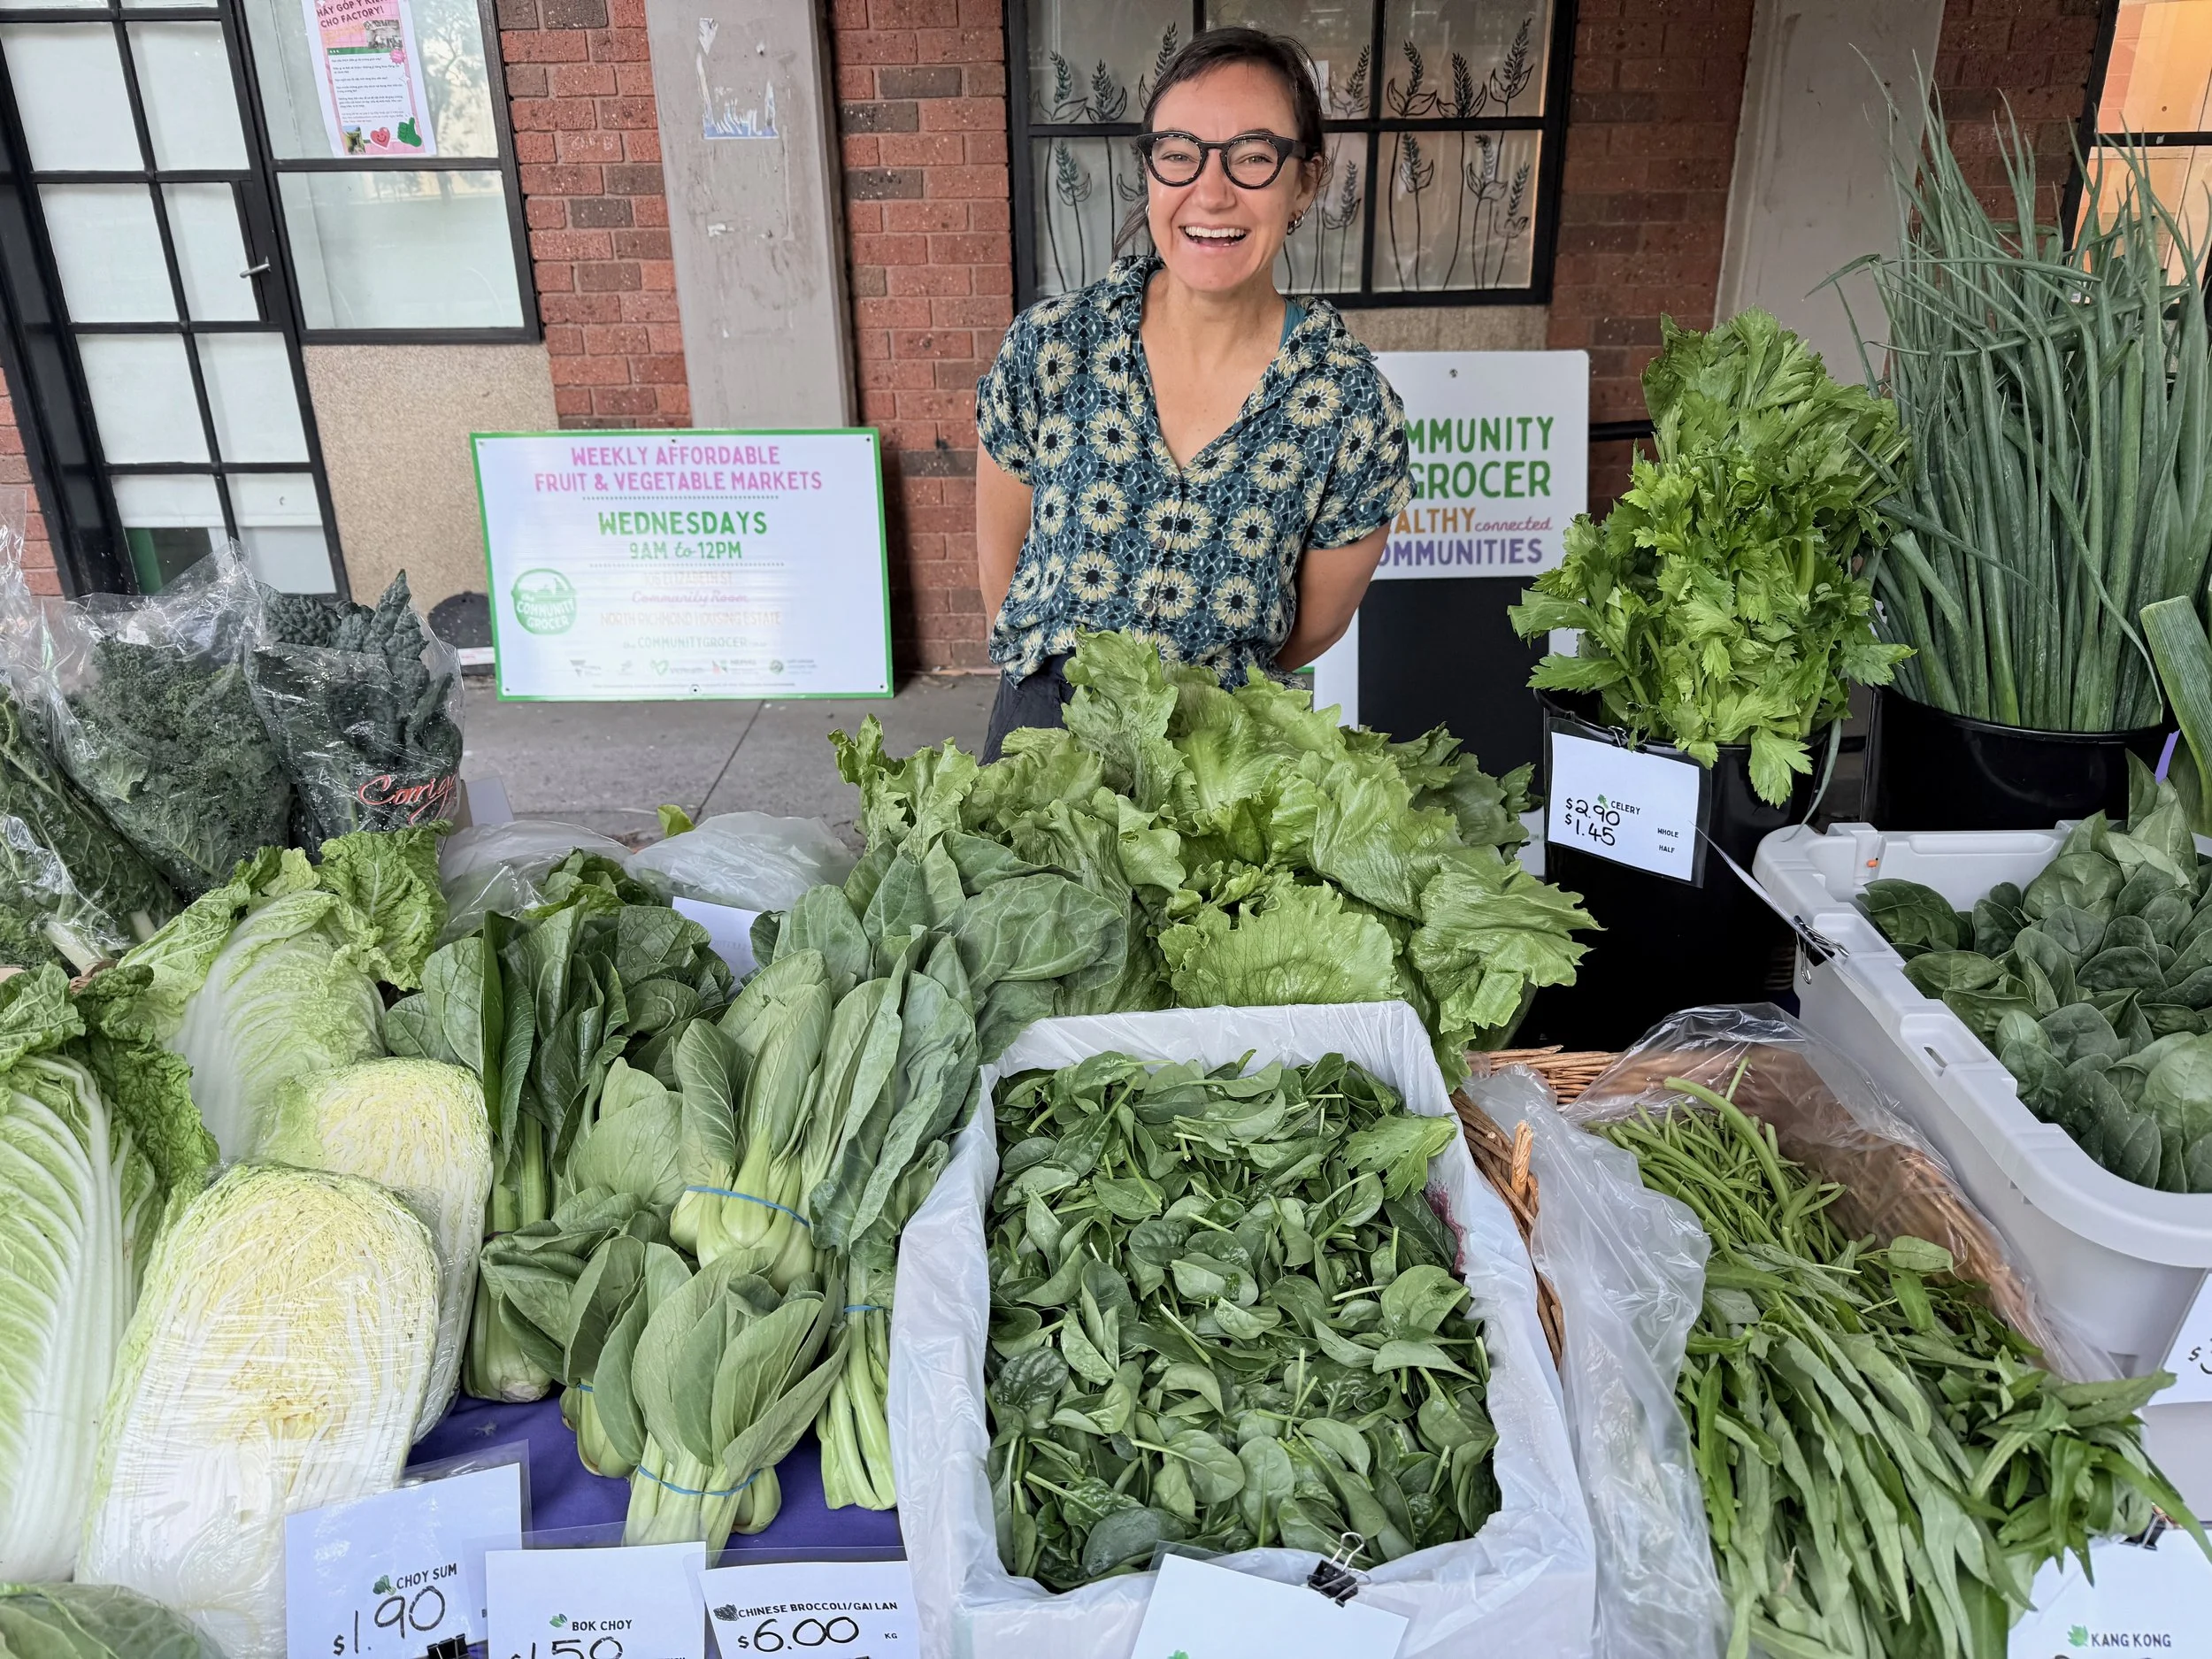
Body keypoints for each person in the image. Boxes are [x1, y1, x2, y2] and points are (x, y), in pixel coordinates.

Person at [972, 26, 1412, 761]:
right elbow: (1002, 572)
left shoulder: (1349, 407)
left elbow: (1313, 627)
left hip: (1223, 767)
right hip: (1044, 749)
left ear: (1305, 181)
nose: (1211, 192)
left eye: (1253, 157)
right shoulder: (1051, 349)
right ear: (1150, 171)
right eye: (1180, 154)